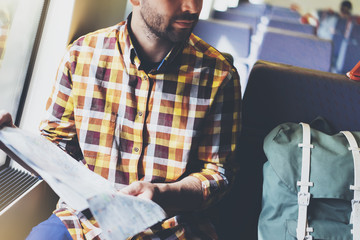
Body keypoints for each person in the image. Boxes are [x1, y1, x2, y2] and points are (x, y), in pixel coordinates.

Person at [0, 0, 241, 239]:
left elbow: (218, 173)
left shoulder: (220, 76)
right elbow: (58, 148)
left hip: (172, 226)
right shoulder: (81, 55)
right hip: (84, 220)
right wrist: (13, 141)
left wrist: (163, 193)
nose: (192, 8)